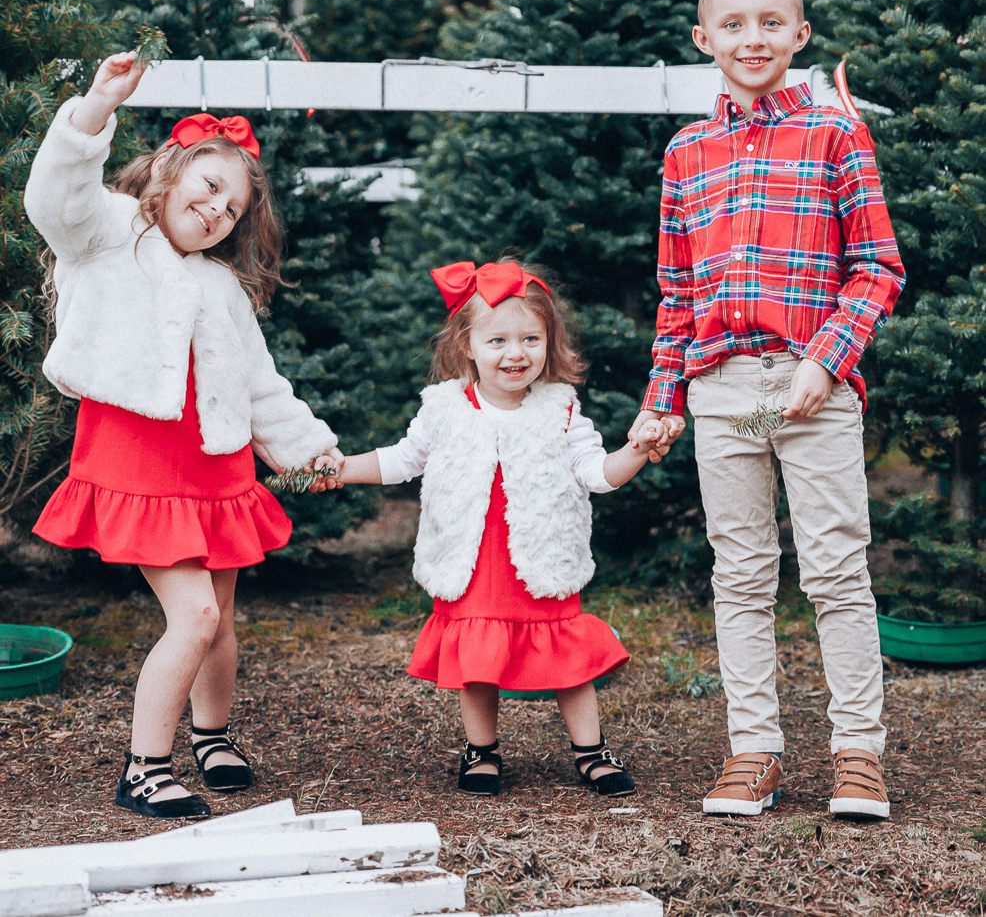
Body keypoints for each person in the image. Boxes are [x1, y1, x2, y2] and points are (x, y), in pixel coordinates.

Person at [25, 52, 343, 820]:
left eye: (232, 209)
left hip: (218, 468)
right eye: (209, 186)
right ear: (171, 170)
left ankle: (213, 733)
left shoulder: (220, 286)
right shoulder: (106, 232)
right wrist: (97, 105)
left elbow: (259, 385)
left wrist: (308, 452)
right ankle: (144, 768)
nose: (216, 210)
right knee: (193, 616)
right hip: (138, 465)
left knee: (221, 618)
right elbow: (52, 195)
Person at [626, 0, 905, 820]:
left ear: (801, 33)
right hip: (722, 393)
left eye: (772, 23)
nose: (755, 39)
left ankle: (858, 752)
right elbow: (678, 294)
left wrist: (827, 359)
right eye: (735, 24)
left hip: (815, 389)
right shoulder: (686, 154)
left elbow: (877, 269)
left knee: (835, 572)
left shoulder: (836, 136)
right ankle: (755, 751)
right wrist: (661, 400)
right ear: (704, 36)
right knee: (741, 574)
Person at [314, 258, 670, 797]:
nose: (515, 353)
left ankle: (591, 751)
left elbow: (599, 475)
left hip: (538, 558)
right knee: (476, 658)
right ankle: (480, 750)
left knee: (567, 658)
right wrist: (343, 469)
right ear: (467, 347)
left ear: (549, 344)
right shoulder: (445, 409)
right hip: (475, 558)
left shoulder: (562, 409)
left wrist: (636, 450)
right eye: (498, 340)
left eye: (531, 338)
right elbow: (403, 459)